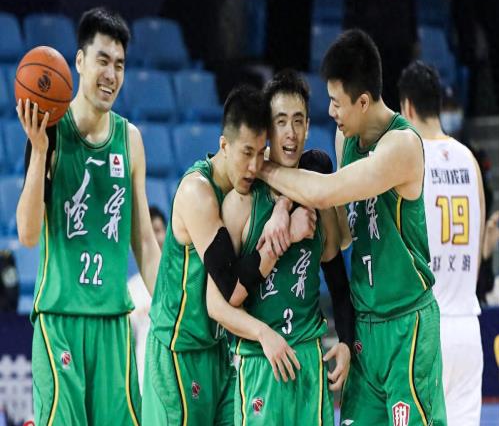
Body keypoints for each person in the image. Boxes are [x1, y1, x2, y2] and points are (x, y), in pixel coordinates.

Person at [259, 29, 447, 425]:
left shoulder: (401, 145)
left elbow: (325, 191)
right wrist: (283, 207)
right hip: (365, 326)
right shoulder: (346, 141)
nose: (331, 112)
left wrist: (258, 164)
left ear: (363, 101)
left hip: (406, 323)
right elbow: (343, 234)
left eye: (336, 102)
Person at [16, 7, 161, 425]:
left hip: (114, 322)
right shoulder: (49, 130)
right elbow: (27, 234)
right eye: (102, 60)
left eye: (120, 65)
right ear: (78, 61)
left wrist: (170, 315)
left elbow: (144, 242)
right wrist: (39, 152)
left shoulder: (130, 139)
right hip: (60, 319)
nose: (111, 74)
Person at [142, 86, 301, 425]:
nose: (254, 166)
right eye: (246, 153)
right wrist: (279, 241)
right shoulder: (197, 193)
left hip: (217, 350)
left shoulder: (246, 188)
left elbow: (309, 168)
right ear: (224, 145)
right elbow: (230, 287)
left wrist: (283, 207)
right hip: (178, 351)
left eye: (261, 153)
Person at [214, 69, 354, 425]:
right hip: (261, 360)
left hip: (308, 358)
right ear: (267, 130)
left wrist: (345, 342)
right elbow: (223, 300)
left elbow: (337, 280)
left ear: (308, 128)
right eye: (280, 122)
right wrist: (263, 335)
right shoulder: (240, 203)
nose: (290, 132)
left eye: (298, 121)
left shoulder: (318, 198)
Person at [398, 60, 485, 426]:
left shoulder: (410, 158)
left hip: (428, 325)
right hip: (468, 325)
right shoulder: (469, 159)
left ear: (406, 107)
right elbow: (477, 250)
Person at [128, 205, 167, 392]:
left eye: (157, 230)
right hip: (144, 385)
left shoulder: (182, 281)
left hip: (176, 380)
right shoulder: (132, 289)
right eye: (148, 232)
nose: (153, 239)